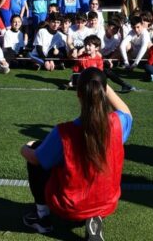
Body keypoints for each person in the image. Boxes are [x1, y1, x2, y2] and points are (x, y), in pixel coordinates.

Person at [21, 68, 132, 239]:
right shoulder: (118, 123)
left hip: (69, 207)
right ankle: (94, 217)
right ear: (103, 91)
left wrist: (25, 148)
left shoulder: (64, 132)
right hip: (106, 202)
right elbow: (125, 111)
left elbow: (36, 159)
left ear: (78, 94)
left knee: (36, 149)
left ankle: (42, 217)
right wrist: (102, 84)